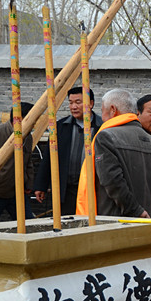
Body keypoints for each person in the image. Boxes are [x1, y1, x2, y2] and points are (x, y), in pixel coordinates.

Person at [76, 89, 151, 218]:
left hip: (116, 225)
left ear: (113, 110)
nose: (102, 117)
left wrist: (136, 211)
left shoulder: (106, 138)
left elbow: (112, 181)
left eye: (102, 111)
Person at [34, 87, 103, 215]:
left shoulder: (102, 127)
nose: (73, 107)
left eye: (78, 102)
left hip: (92, 189)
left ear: (91, 103)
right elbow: (49, 157)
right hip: (66, 188)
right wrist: (40, 185)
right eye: (71, 103)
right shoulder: (60, 127)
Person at [0, 103, 35, 223]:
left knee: (28, 224)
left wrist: (28, 184)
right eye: (32, 119)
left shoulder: (27, 136)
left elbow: (28, 162)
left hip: (17, 192)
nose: (34, 124)